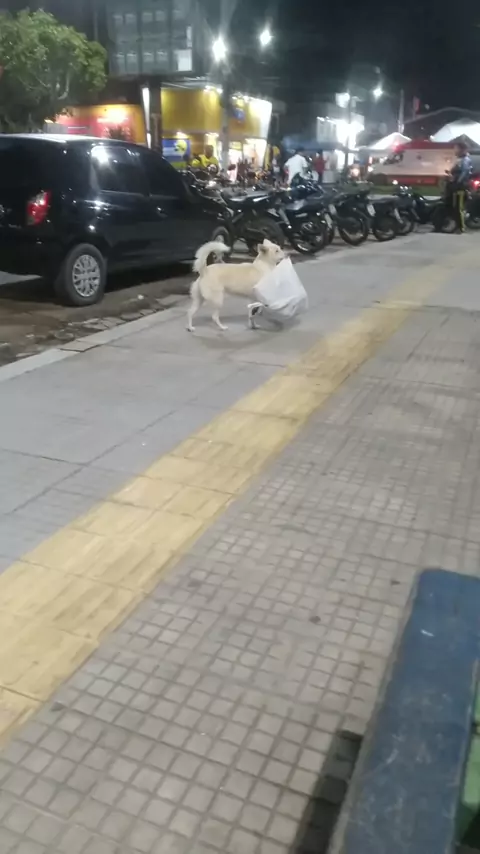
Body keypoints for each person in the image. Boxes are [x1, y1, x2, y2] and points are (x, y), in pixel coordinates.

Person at [449, 141, 472, 233]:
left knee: (459, 207)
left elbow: (464, 172)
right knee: (456, 207)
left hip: (461, 187)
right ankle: (457, 225)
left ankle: (461, 227)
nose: (455, 150)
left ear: (462, 149)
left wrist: (457, 181)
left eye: (457, 148)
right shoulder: (459, 159)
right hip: (455, 186)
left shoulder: (465, 160)